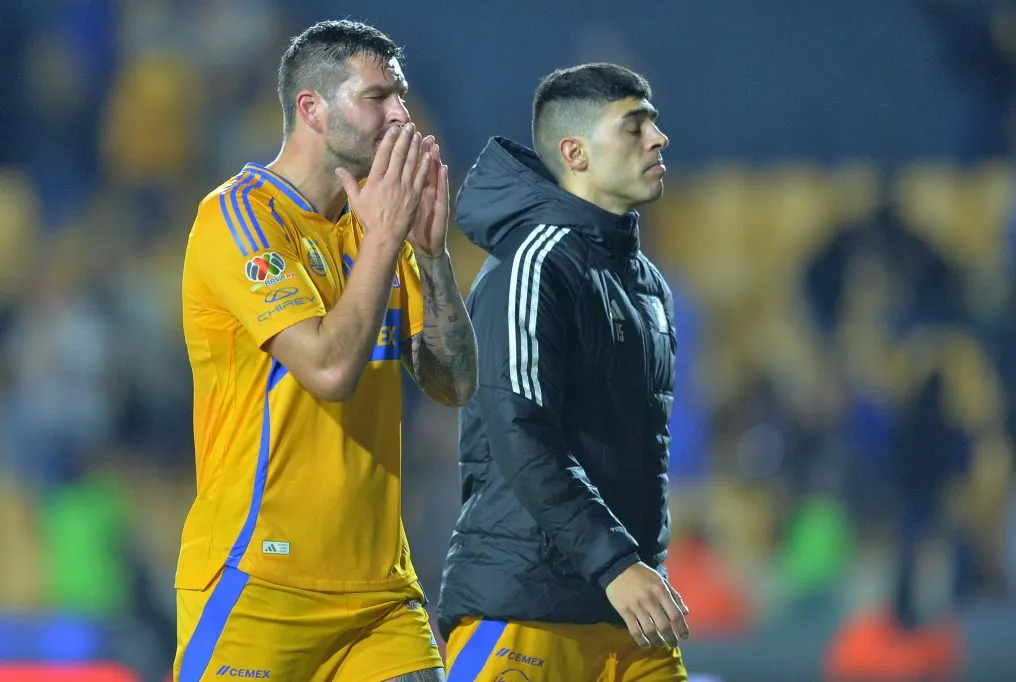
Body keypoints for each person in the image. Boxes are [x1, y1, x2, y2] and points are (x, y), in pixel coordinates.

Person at [173, 20, 477, 682]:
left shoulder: (374, 229)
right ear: (311, 108)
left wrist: (431, 255)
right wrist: (386, 239)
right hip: (260, 580)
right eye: (377, 97)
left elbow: (453, 384)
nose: (400, 115)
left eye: (400, 96)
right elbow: (330, 369)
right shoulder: (237, 219)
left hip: (380, 593)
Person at [437, 63, 690, 681]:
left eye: (654, 123)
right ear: (575, 153)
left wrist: (627, 566)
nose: (658, 138)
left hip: (627, 612)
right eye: (634, 126)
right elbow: (520, 433)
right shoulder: (533, 264)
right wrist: (614, 563)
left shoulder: (647, 284)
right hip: (529, 609)